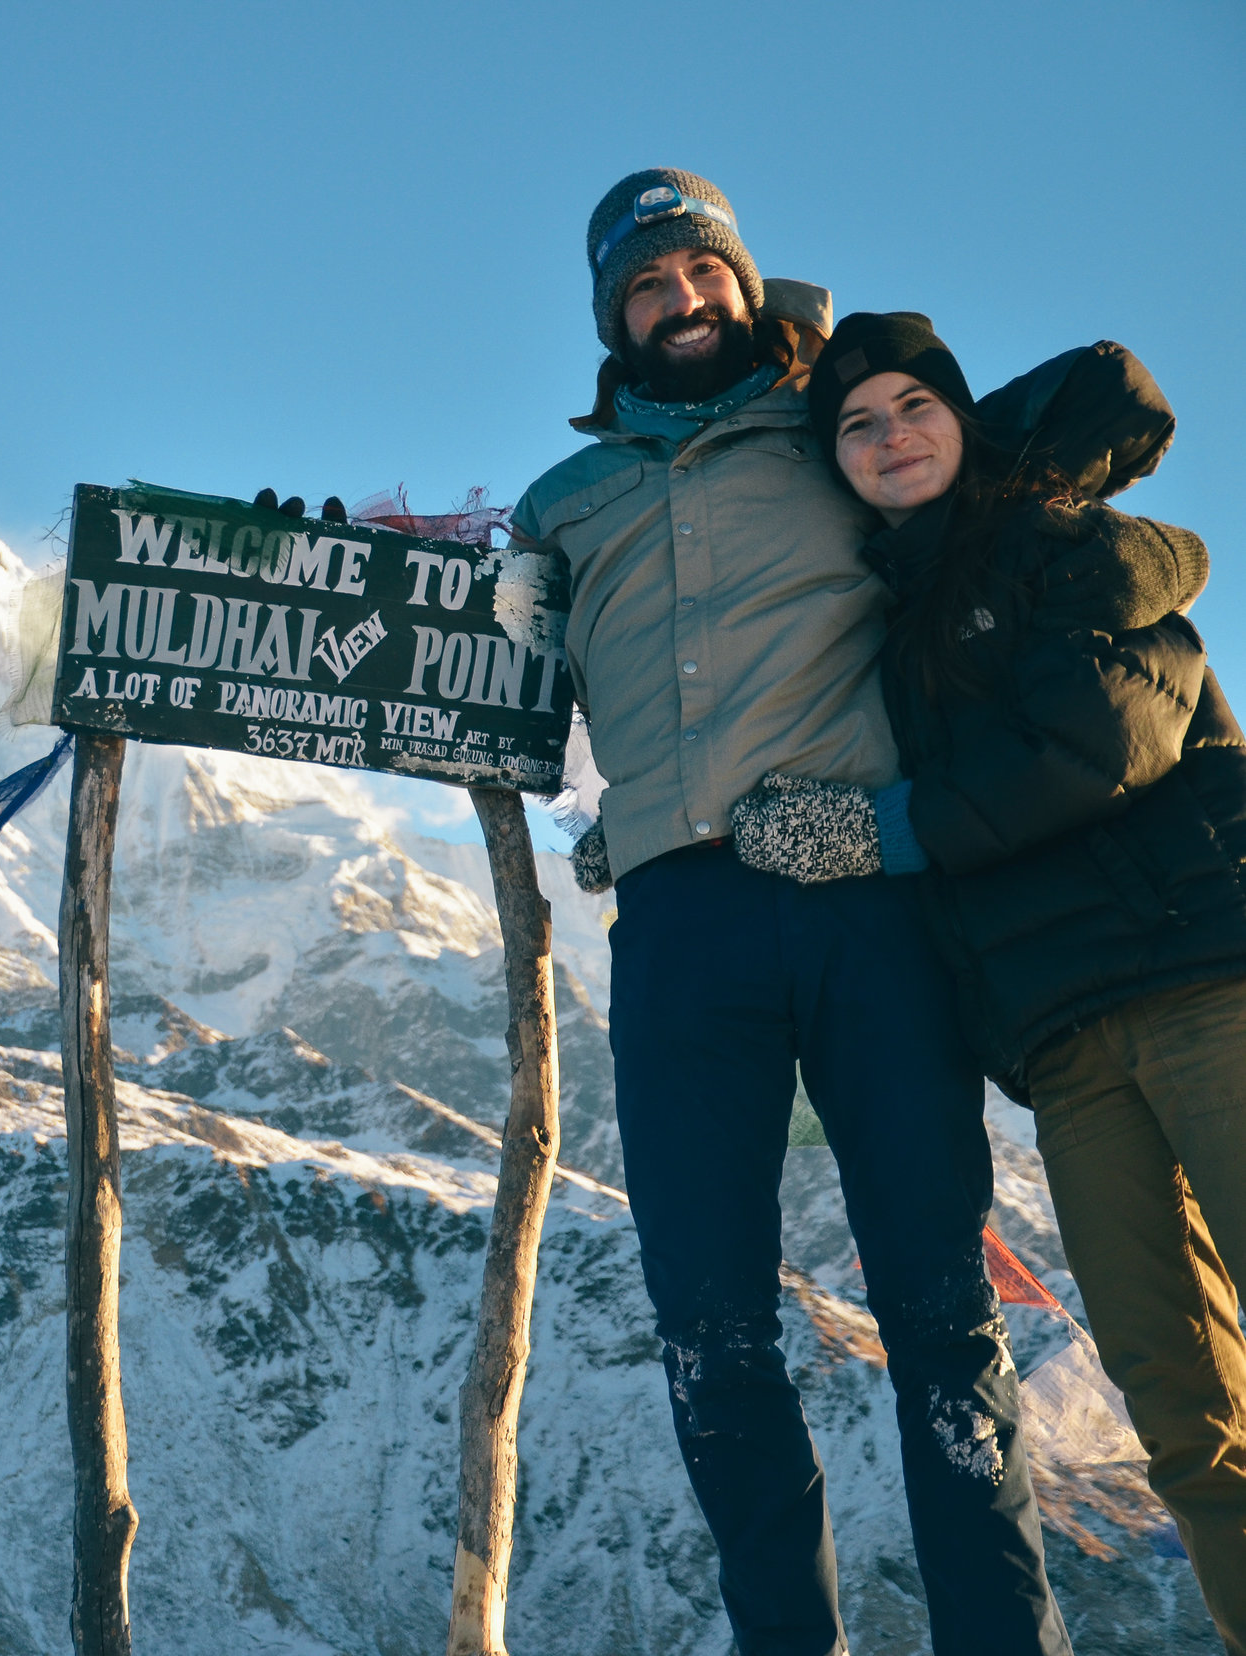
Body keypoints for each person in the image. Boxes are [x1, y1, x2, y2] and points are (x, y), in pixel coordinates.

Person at [516, 169, 1071, 1655]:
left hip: (865, 907)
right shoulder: (561, 506)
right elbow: (489, 673)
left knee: (939, 1307)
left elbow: (1010, 462)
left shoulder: (840, 428)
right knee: (709, 1325)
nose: (679, 300)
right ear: (613, 319)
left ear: (744, 282)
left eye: (701, 270)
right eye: (646, 284)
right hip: (680, 934)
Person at [732, 309, 1246, 1651]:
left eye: (915, 406)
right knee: (1182, 1410)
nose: (891, 436)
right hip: (1067, 1050)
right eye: (858, 424)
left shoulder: (1055, 544)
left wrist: (885, 832)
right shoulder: (886, 622)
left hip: (1206, 979)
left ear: (963, 419)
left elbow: (1105, 740)